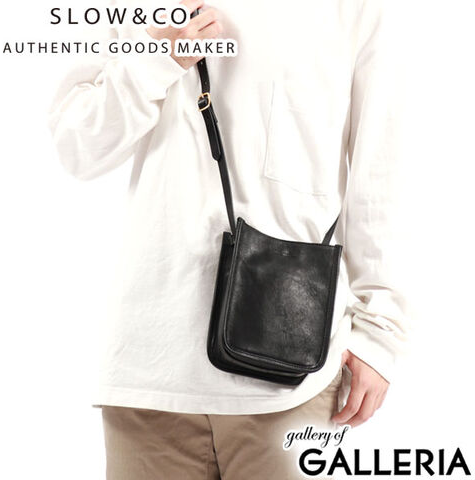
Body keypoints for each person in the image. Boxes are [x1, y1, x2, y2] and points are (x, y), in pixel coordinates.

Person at [48, 0, 409, 478]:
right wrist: (157, 60)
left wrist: (380, 335)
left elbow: (380, 173)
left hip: (290, 373)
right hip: (148, 381)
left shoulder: (359, 9)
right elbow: (77, 147)